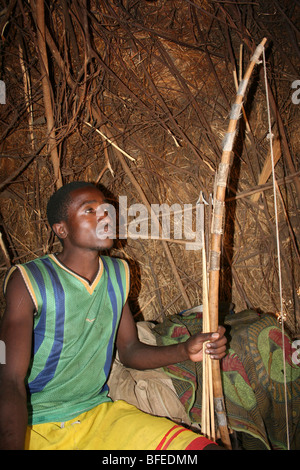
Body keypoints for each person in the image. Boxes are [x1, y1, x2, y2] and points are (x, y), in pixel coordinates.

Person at [0, 181, 227, 450]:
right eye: (90, 210)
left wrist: (186, 351)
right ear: (61, 229)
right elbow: (9, 380)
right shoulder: (30, 281)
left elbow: (130, 351)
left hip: (98, 415)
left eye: (107, 209)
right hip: (36, 425)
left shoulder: (118, 274)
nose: (106, 217)